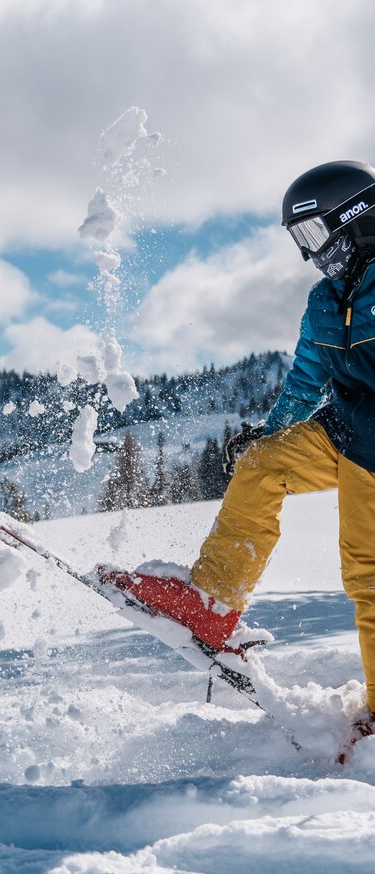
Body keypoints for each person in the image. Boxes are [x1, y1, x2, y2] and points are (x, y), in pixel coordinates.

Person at [189, 159, 375, 730]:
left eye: (316, 234)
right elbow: (304, 379)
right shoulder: (325, 300)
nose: (310, 253)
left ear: (358, 219)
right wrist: (268, 432)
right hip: (347, 431)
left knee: (367, 575)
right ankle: (215, 600)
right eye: (300, 239)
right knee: (262, 463)